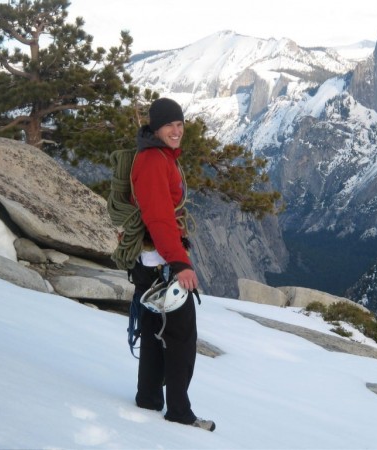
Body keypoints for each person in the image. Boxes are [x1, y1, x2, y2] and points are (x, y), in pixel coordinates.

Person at [129, 97, 215, 432]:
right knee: (180, 338)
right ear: (155, 127)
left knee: (153, 332)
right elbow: (159, 219)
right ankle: (179, 410)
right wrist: (180, 263)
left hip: (151, 262)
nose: (177, 131)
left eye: (180, 124)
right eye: (170, 125)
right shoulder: (153, 160)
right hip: (162, 264)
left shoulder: (158, 155)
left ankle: (149, 397)